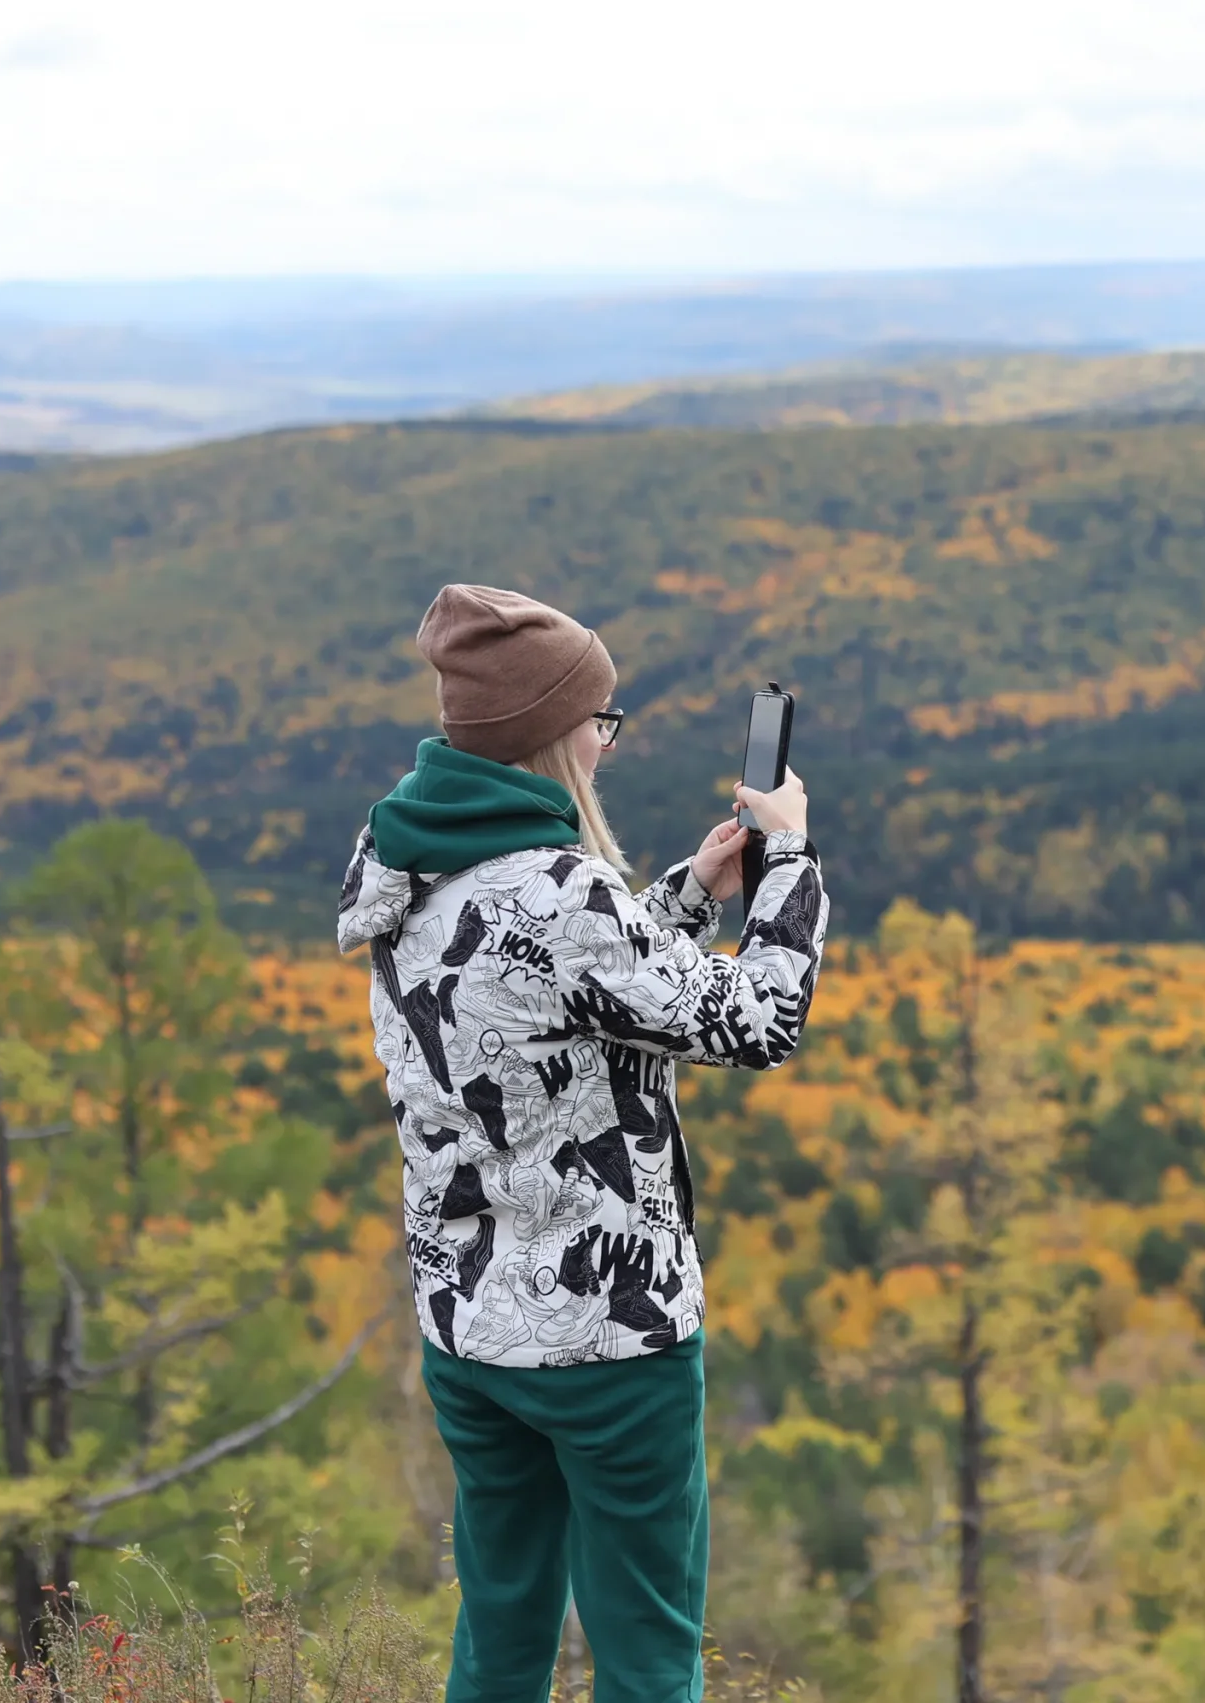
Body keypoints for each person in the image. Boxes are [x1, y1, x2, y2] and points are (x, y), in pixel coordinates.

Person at [337, 584, 827, 1703]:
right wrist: (788, 863)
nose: (605, 744)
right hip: (611, 1337)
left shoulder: (405, 856)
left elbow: (543, 991)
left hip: (468, 1326)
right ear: (553, 732)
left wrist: (690, 894)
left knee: (501, 1634)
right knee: (647, 1654)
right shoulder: (563, 893)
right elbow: (757, 1023)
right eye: (600, 722)